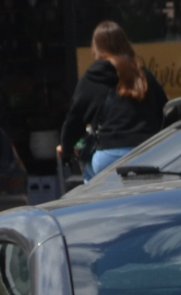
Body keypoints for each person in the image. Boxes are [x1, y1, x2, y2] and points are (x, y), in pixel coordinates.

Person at [58, 23, 168, 181]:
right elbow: (165, 111)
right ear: (125, 44)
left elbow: (74, 121)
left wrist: (66, 149)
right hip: (148, 153)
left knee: (92, 182)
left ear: (96, 47)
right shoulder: (143, 75)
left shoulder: (91, 79)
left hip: (109, 156)